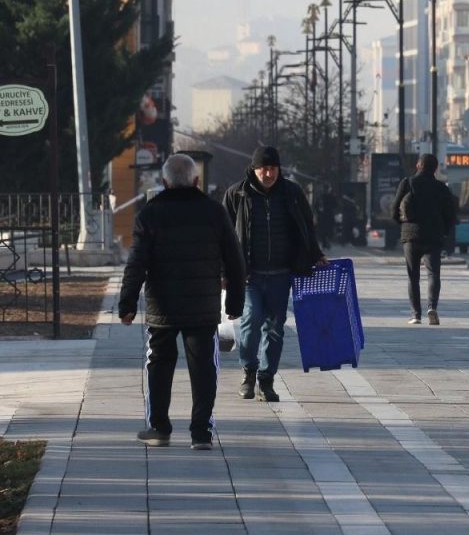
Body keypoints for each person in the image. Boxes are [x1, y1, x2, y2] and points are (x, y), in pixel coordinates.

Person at [119, 154, 245, 450]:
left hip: (161, 306)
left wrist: (126, 305)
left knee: (159, 365)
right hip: (202, 306)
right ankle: (201, 433)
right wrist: (235, 304)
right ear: (196, 180)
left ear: (163, 182)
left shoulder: (149, 215)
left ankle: (159, 428)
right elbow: (235, 261)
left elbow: (136, 263)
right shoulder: (214, 212)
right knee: (204, 368)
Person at [223, 146, 326, 402]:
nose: (268, 173)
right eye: (263, 168)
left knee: (275, 328)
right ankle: (249, 371)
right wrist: (224, 269)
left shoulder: (291, 193)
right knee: (251, 321)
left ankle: (266, 381)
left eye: (273, 168)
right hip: (250, 275)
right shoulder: (237, 194)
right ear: (254, 168)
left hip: (281, 273)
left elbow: (306, 227)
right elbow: (222, 234)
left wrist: (315, 254)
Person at [391, 153, 457, 325]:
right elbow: (450, 214)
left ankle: (415, 315)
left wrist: (404, 225)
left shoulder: (408, 183)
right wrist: (444, 231)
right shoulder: (441, 188)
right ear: (435, 169)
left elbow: (394, 209)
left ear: (418, 165)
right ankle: (432, 307)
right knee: (433, 273)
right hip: (434, 237)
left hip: (411, 236)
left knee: (413, 276)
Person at [314, 183, 338, 248]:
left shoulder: (320, 197)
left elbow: (316, 207)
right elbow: (336, 206)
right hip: (329, 216)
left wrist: (317, 213)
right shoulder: (332, 197)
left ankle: (325, 243)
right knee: (328, 230)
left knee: (323, 230)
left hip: (322, 216)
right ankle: (327, 242)